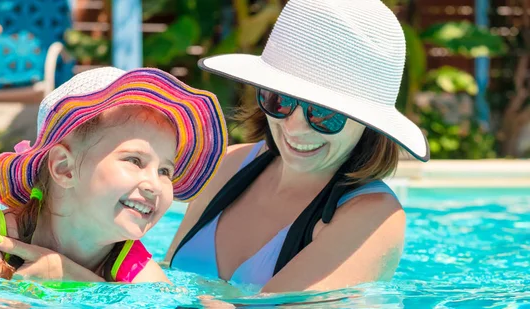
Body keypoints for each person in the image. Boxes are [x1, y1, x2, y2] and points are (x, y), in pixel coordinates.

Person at [165, 0, 430, 293]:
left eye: (325, 114)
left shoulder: (374, 218)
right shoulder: (228, 166)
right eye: (280, 100)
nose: (294, 128)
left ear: (367, 123)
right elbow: (163, 283)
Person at [0, 67, 227, 291]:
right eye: (134, 160)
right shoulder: (5, 236)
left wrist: (68, 275)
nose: (154, 184)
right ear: (65, 169)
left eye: (165, 171)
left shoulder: (127, 259)